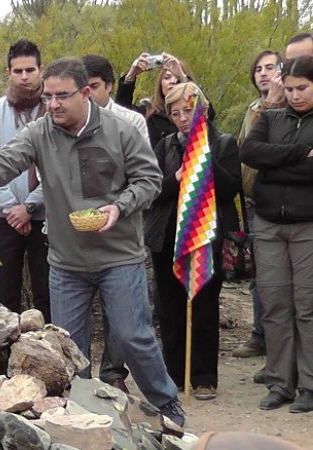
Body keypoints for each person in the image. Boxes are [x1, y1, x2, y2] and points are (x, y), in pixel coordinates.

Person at [0, 57, 185, 429]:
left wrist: (119, 208)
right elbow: (6, 160)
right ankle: (82, 414)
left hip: (119, 256)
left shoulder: (121, 131)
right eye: (48, 96)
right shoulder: (41, 133)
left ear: (86, 93)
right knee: (69, 348)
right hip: (66, 261)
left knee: (132, 336)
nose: (53, 104)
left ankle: (166, 404)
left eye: (62, 96)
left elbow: (150, 180)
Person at [145, 82, 241, 401]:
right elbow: (153, 191)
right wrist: (176, 178)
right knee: (170, 308)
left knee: (203, 306)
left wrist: (202, 159)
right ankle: (175, 374)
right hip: (168, 237)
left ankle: (203, 376)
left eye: (189, 110)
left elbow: (230, 189)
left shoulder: (223, 142)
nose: (183, 118)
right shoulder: (164, 146)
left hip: (207, 236)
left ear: (202, 109)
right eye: (175, 113)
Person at [241, 55, 313, 413]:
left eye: (303, 88)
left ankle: (309, 385)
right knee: (275, 306)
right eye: (291, 88)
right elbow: (250, 152)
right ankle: (280, 383)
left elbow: (270, 164)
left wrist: (275, 164)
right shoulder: (269, 117)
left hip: (307, 226)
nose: (296, 95)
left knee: (307, 307)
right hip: (268, 224)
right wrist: (300, 155)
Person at [80, 54, 150, 394]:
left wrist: (118, 206)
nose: (88, 94)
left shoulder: (131, 122)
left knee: (119, 311)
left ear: (109, 86)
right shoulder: (68, 122)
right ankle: (77, 376)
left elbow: (143, 175)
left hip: (120, 226)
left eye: (94, 87)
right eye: (84, 88)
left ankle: (112, 372)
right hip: (77, 227)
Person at [0, 39, 48, 318]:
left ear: (40, 70)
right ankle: (5, 358)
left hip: (46, 215)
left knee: (47, 294)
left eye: (29, 70)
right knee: (5, 295)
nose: (24, 77)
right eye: (17, 71)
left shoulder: (54, 108)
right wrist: (12, 209)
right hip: (3, 216)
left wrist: (30, 206)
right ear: (9, 72)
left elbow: (58, 167)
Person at [232, 50, 283, 371]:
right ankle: (260, 336)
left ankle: (279, 351)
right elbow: (244, 152)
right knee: (259, 275)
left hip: (284, 201)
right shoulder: (253, 109)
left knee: (280, 279)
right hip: (253, 201)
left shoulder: (287, 107)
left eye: (270, 68)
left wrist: (273, 104)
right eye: (258, 69)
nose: (263, 74)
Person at [116, 52, 215, 148]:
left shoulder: (193, 108)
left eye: (177, 78)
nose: (172, 81)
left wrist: (184, 79)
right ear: (160, 83)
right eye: (167, 77)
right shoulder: (149, 112)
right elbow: (120, 114)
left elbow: (208, 112)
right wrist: (130, 77)